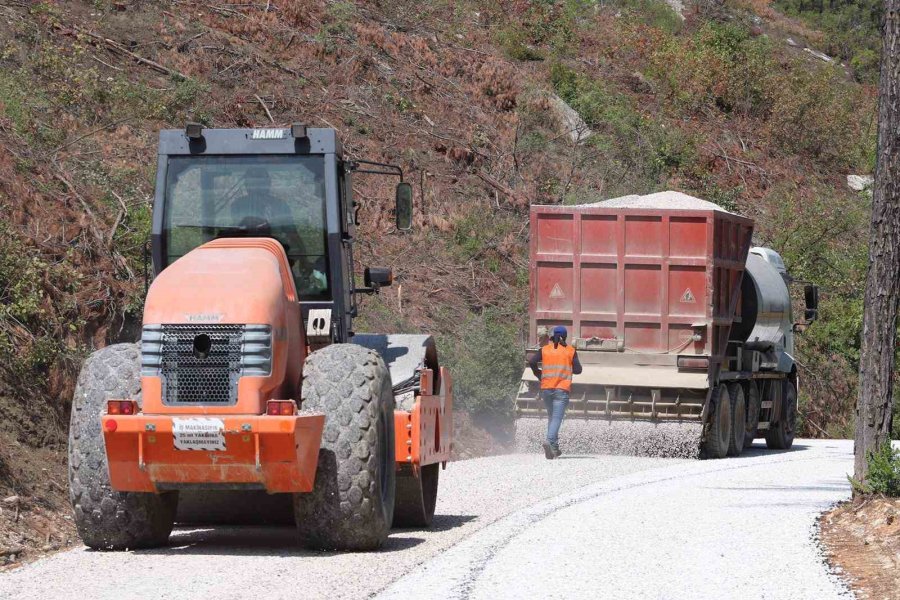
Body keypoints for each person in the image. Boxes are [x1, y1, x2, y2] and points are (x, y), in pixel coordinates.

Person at [529, 325, 582, 460]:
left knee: (552, 418)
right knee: (557, 418)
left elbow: (532, 361)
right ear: (565, 337)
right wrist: (568, 366)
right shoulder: (570, 351)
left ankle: (554, 448)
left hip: (546, 389)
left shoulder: (544, 350)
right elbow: (578, 370)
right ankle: (549, 440)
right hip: (561, 390)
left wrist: (538, 374)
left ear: (551, 337)